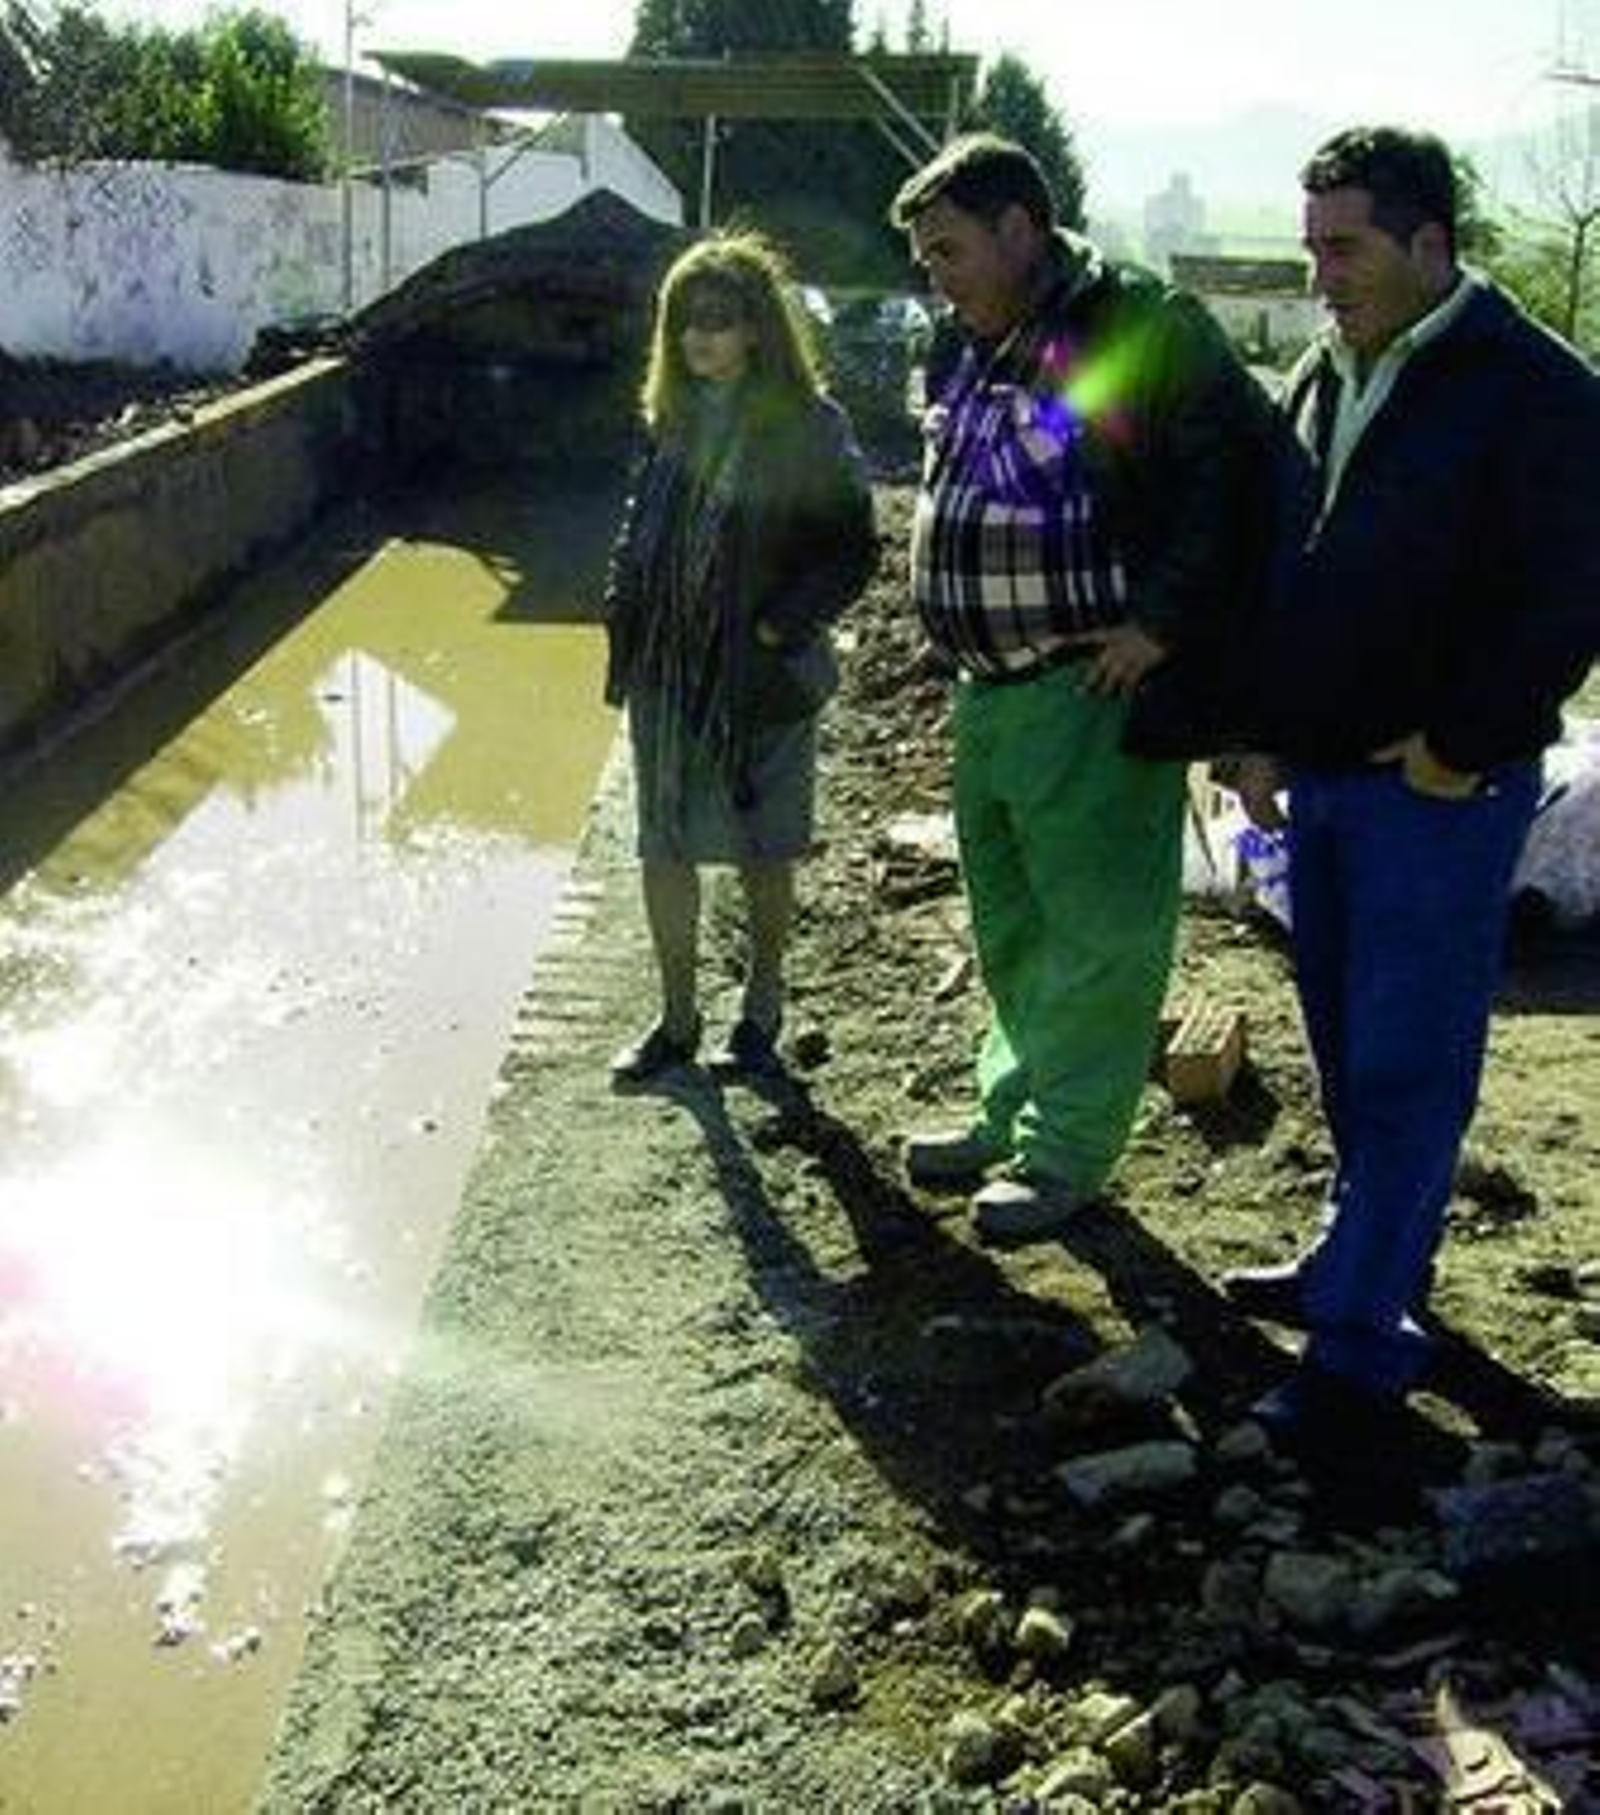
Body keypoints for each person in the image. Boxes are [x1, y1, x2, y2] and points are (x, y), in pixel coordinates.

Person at [1222, 125, 1600, 1453]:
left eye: (1346, 246)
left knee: (1407, 1057)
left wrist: (1467, 741)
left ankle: (1359, 1352)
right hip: (1321, 775)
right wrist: (1255, 734)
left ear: (1431, 242)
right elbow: (1282, 564)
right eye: (1311, 244)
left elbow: (1571, 593)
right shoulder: (1327, 373)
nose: (1320, 273)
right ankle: (1359, 1262)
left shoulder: (1536, 387)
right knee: (1342, 1038)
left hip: (1439, 788)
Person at [889, 132, 1275, 1244]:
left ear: (1020, 229)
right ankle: (1008, 1108)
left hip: (1086, 690)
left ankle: (1065, 1152)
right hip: (988, 691)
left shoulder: (1133, 327)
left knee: (1098, 933)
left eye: (949, 250)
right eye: (924, 259)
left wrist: (1160, 623)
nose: (936, 276)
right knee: (1010, 924)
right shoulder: (967, 341)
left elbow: (1230, 479)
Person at [603, 230, 876, 1084]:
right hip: (669, 674)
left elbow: (852, 550)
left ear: (758, 328)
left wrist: (775, 630)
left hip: (764, 681)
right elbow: (639, 528)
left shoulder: (808, 426)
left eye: (718, 321)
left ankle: (761, 1005)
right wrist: (622, 600)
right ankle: (677, 1017)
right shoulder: (668, 423)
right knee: (664, 844)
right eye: (685, 323)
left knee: (764, 845)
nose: (699, 339)